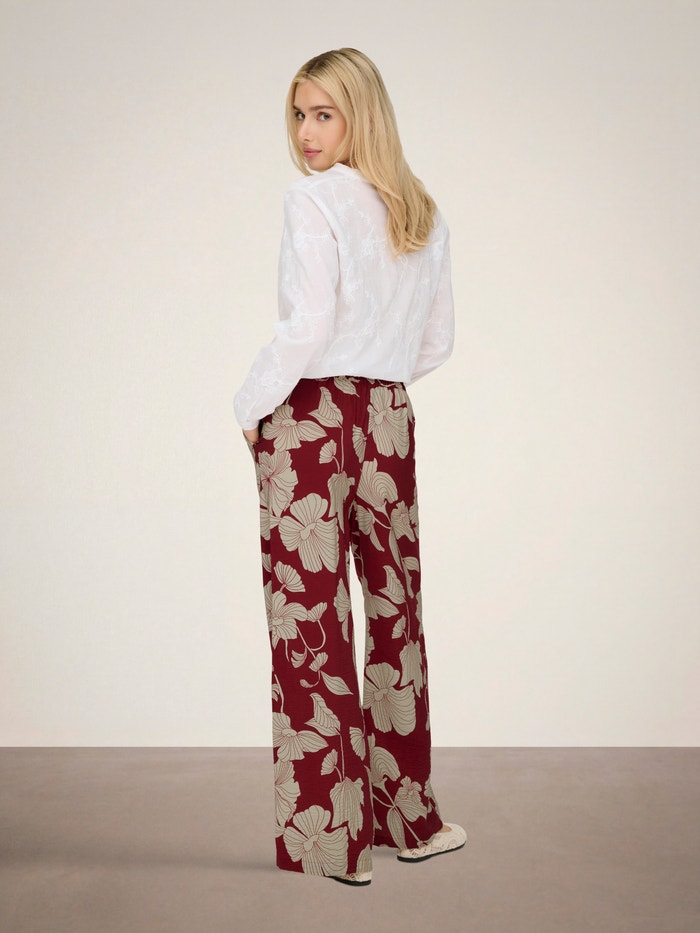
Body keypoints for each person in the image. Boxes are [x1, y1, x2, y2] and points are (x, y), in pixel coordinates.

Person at [234, 48, 465, 886]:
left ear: (361, 115)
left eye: (324, 114)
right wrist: (377, 381)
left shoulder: (315, 198)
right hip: (390, 416)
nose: (306, 132)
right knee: (396, 611)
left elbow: (306, 325)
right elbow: (435, 343)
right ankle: (411, 818)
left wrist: (251, 406)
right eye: (299, 114)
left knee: (311, 619)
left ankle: (335, 842)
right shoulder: (422, 211)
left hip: (310, 414)